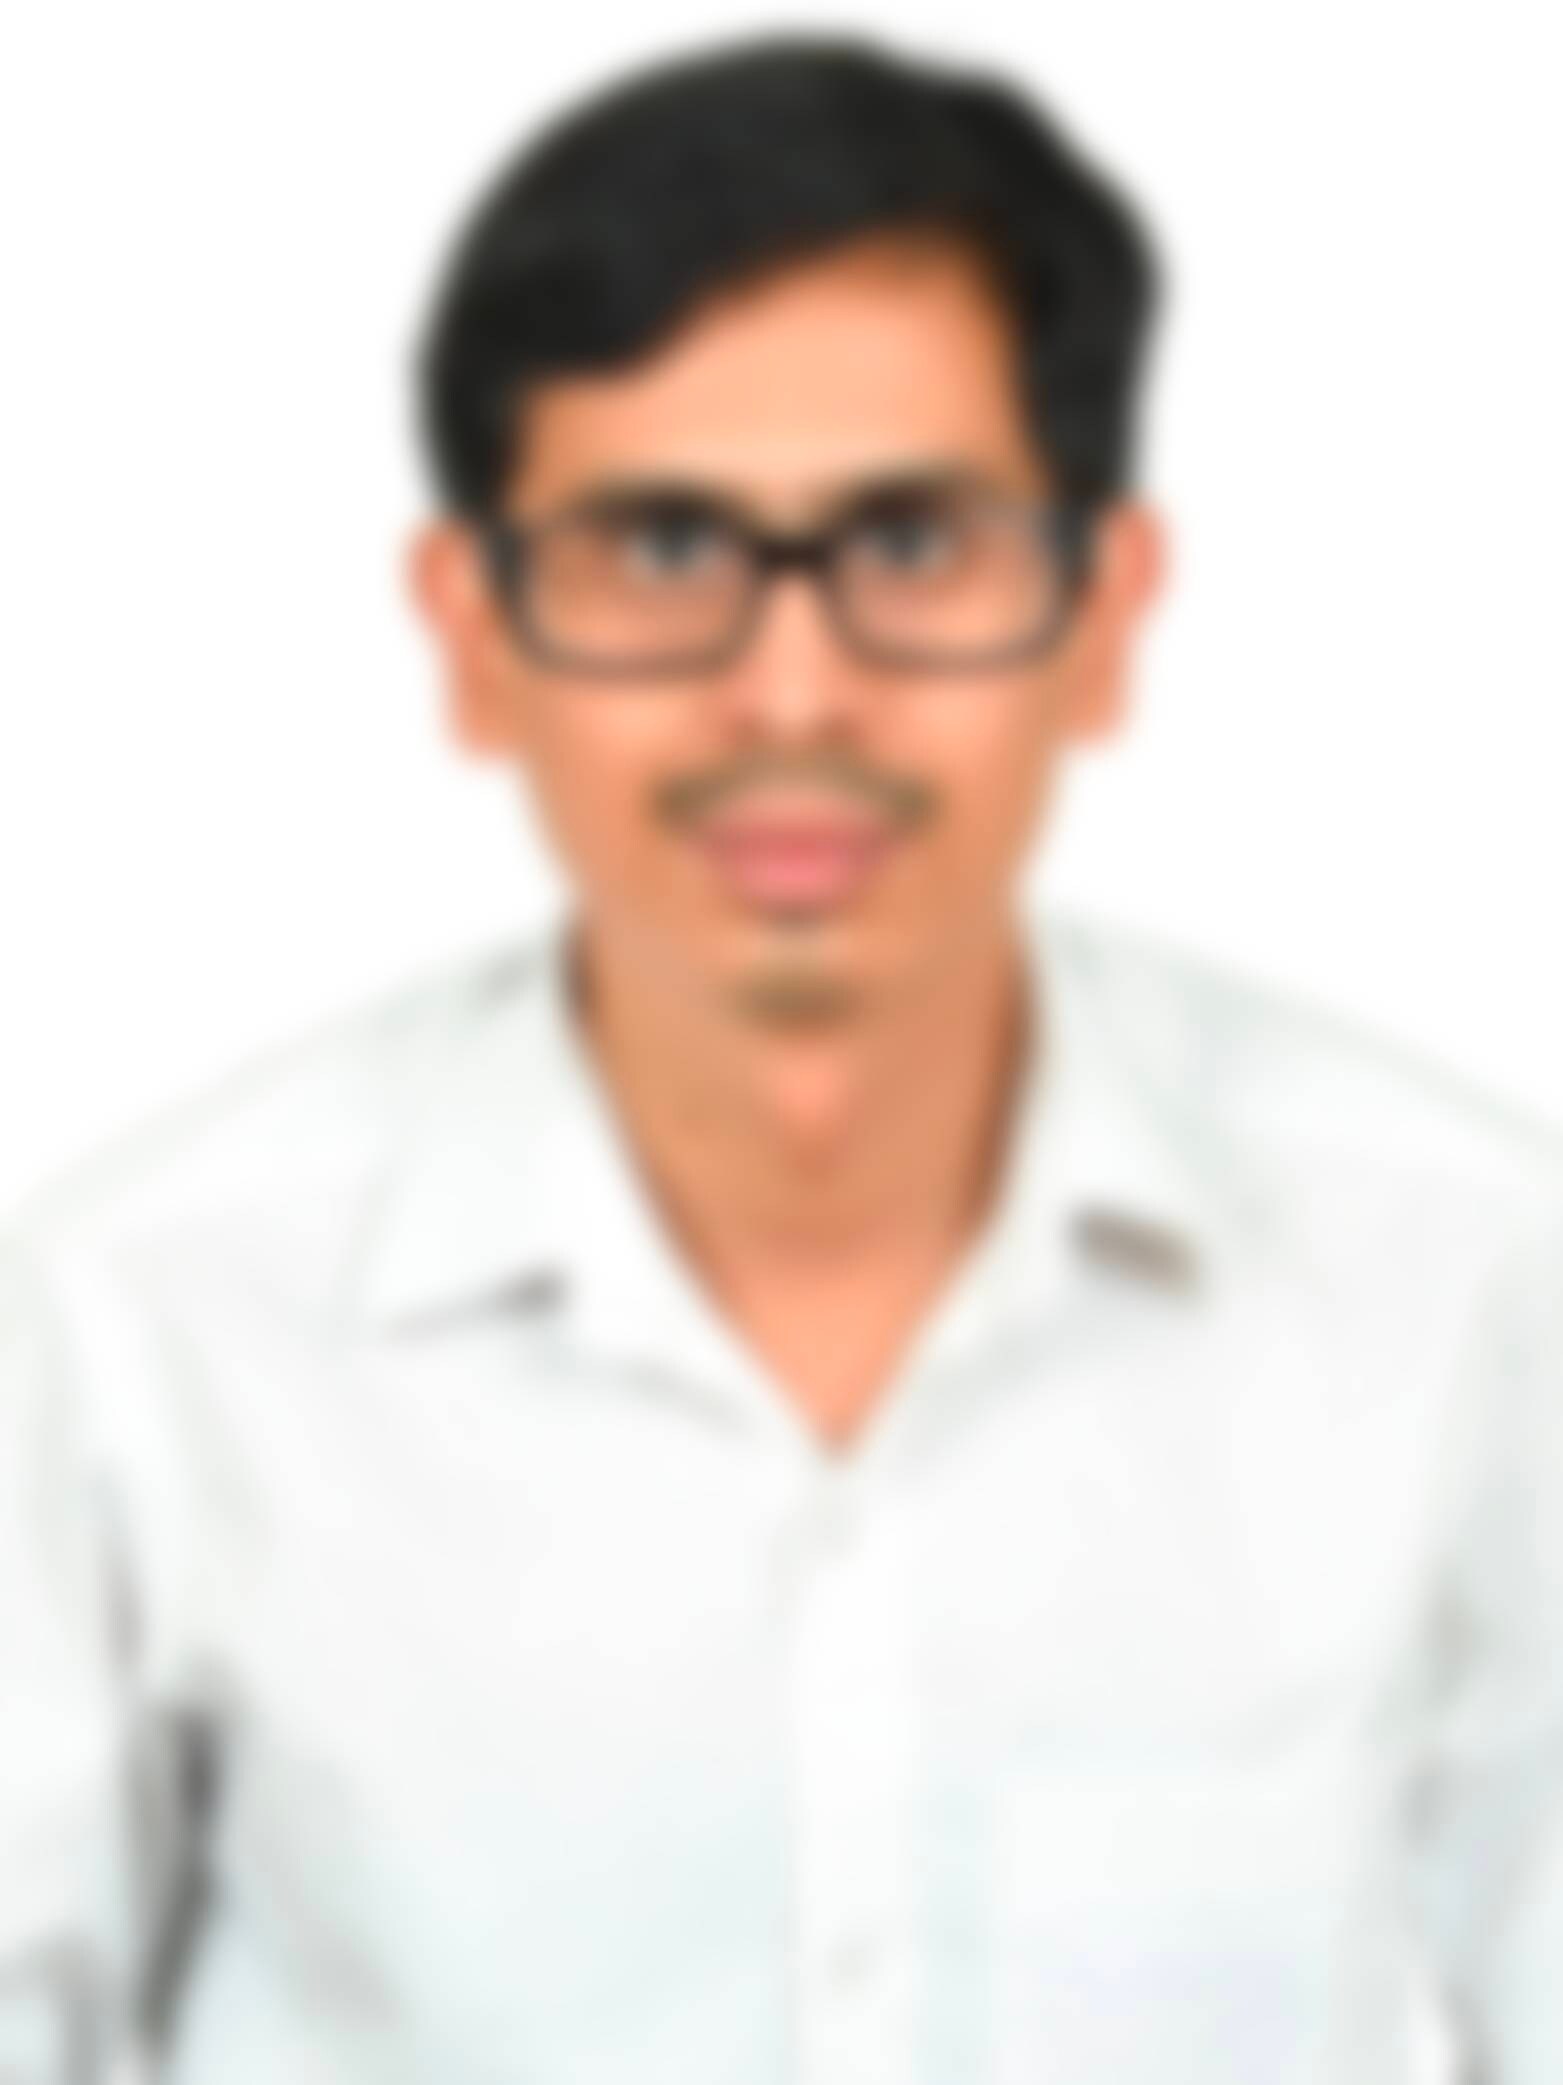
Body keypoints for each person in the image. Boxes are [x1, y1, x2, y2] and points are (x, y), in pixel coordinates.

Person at [2, 28, 1561, 2085]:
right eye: (662, 550)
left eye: (912, 544)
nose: (794, 689)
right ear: (474, 635)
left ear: (1101, 612)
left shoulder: (1461, 1276)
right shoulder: (135, 1325)